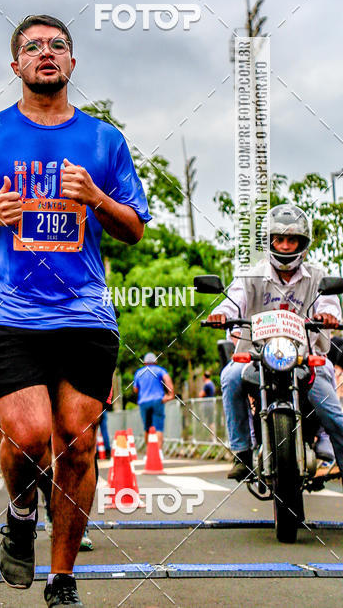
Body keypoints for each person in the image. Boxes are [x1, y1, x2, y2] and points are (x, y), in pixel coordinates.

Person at [0, 14, 151, 607]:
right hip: (10, 312)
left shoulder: (103, 140)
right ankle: (18, 512)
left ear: (72, 62)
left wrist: (97, 198)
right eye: (32, 47)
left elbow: (134, 227)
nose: (46, 54)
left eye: (57, 46)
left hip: (85, 312)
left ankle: (62, 580)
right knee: (31, 436)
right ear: (16, 65)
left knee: (79, 446)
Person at [206, 204, 343, 481]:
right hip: (257, 358)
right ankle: (242, 452)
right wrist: (223, 314)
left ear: (303, 244)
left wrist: (328, 315)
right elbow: (234, 302)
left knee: (334, 413)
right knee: (230, 376)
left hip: (305, 359)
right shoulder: (249, 275)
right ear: (269, 242)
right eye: (278, 239)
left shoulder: (317, 275)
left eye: (291, 240)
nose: (284, 245)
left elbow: (331, 305)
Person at [132, 353, 175, 451]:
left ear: (144, 363)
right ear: (155, 362)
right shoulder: (160, 370)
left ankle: (150, 452)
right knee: (158, 427)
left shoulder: (139, 373)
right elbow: (168, 381)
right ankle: (158, 452)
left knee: (147, 428)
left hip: (144, 402)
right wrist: (170, 395)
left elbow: (135, 389)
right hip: (157, 400)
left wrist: (143, 390)